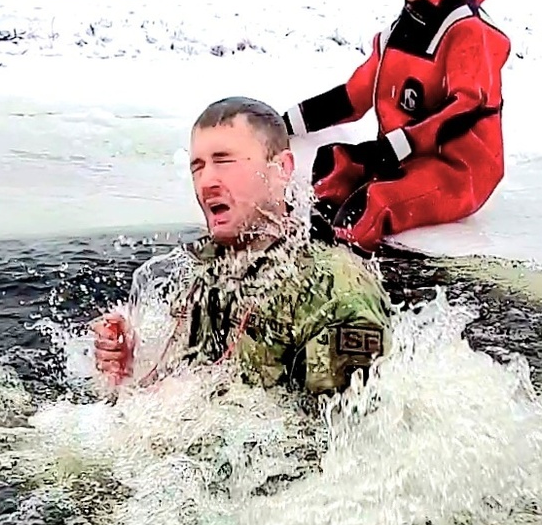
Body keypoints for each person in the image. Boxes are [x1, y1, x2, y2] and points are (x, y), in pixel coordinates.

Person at [93, 98, 390, 397]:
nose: (206, 181)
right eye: (197, 167)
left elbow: (334, 432)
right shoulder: (203, 270)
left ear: (281, 169)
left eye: (224, 161)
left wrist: (197, 407)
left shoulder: (334, 291)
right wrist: (129, 371)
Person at [283, 0, 511, 251]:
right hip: (406, 158)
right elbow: (353, 96)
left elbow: (466, 106)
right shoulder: (398, 33)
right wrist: (281, 124)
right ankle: (300, 258)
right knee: (332, 167)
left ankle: (349, 282)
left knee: (371, 205)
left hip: (457, 172)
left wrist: (395, 147)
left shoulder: (467, 29)